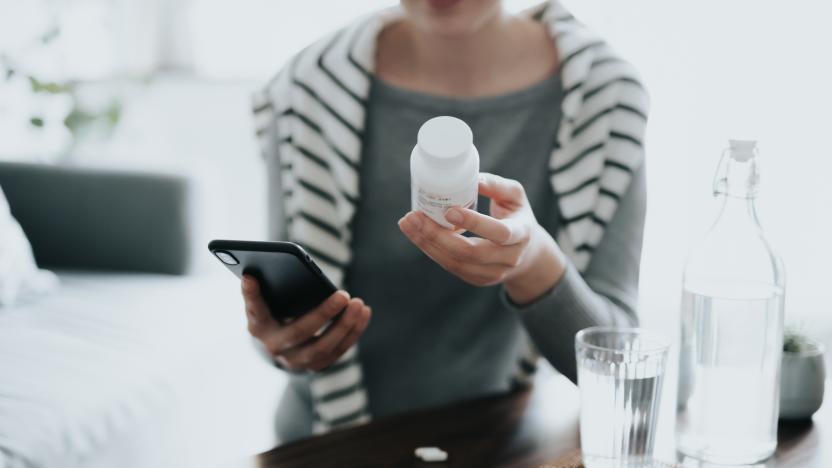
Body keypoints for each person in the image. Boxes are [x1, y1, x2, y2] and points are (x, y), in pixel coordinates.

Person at [247, 0, 648, 441]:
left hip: (497, 444)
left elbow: (622, 366)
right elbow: (283, 314)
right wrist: (284, 342)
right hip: (326, 445)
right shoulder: (310, 89)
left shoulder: (603, 96)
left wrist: (532, 263)